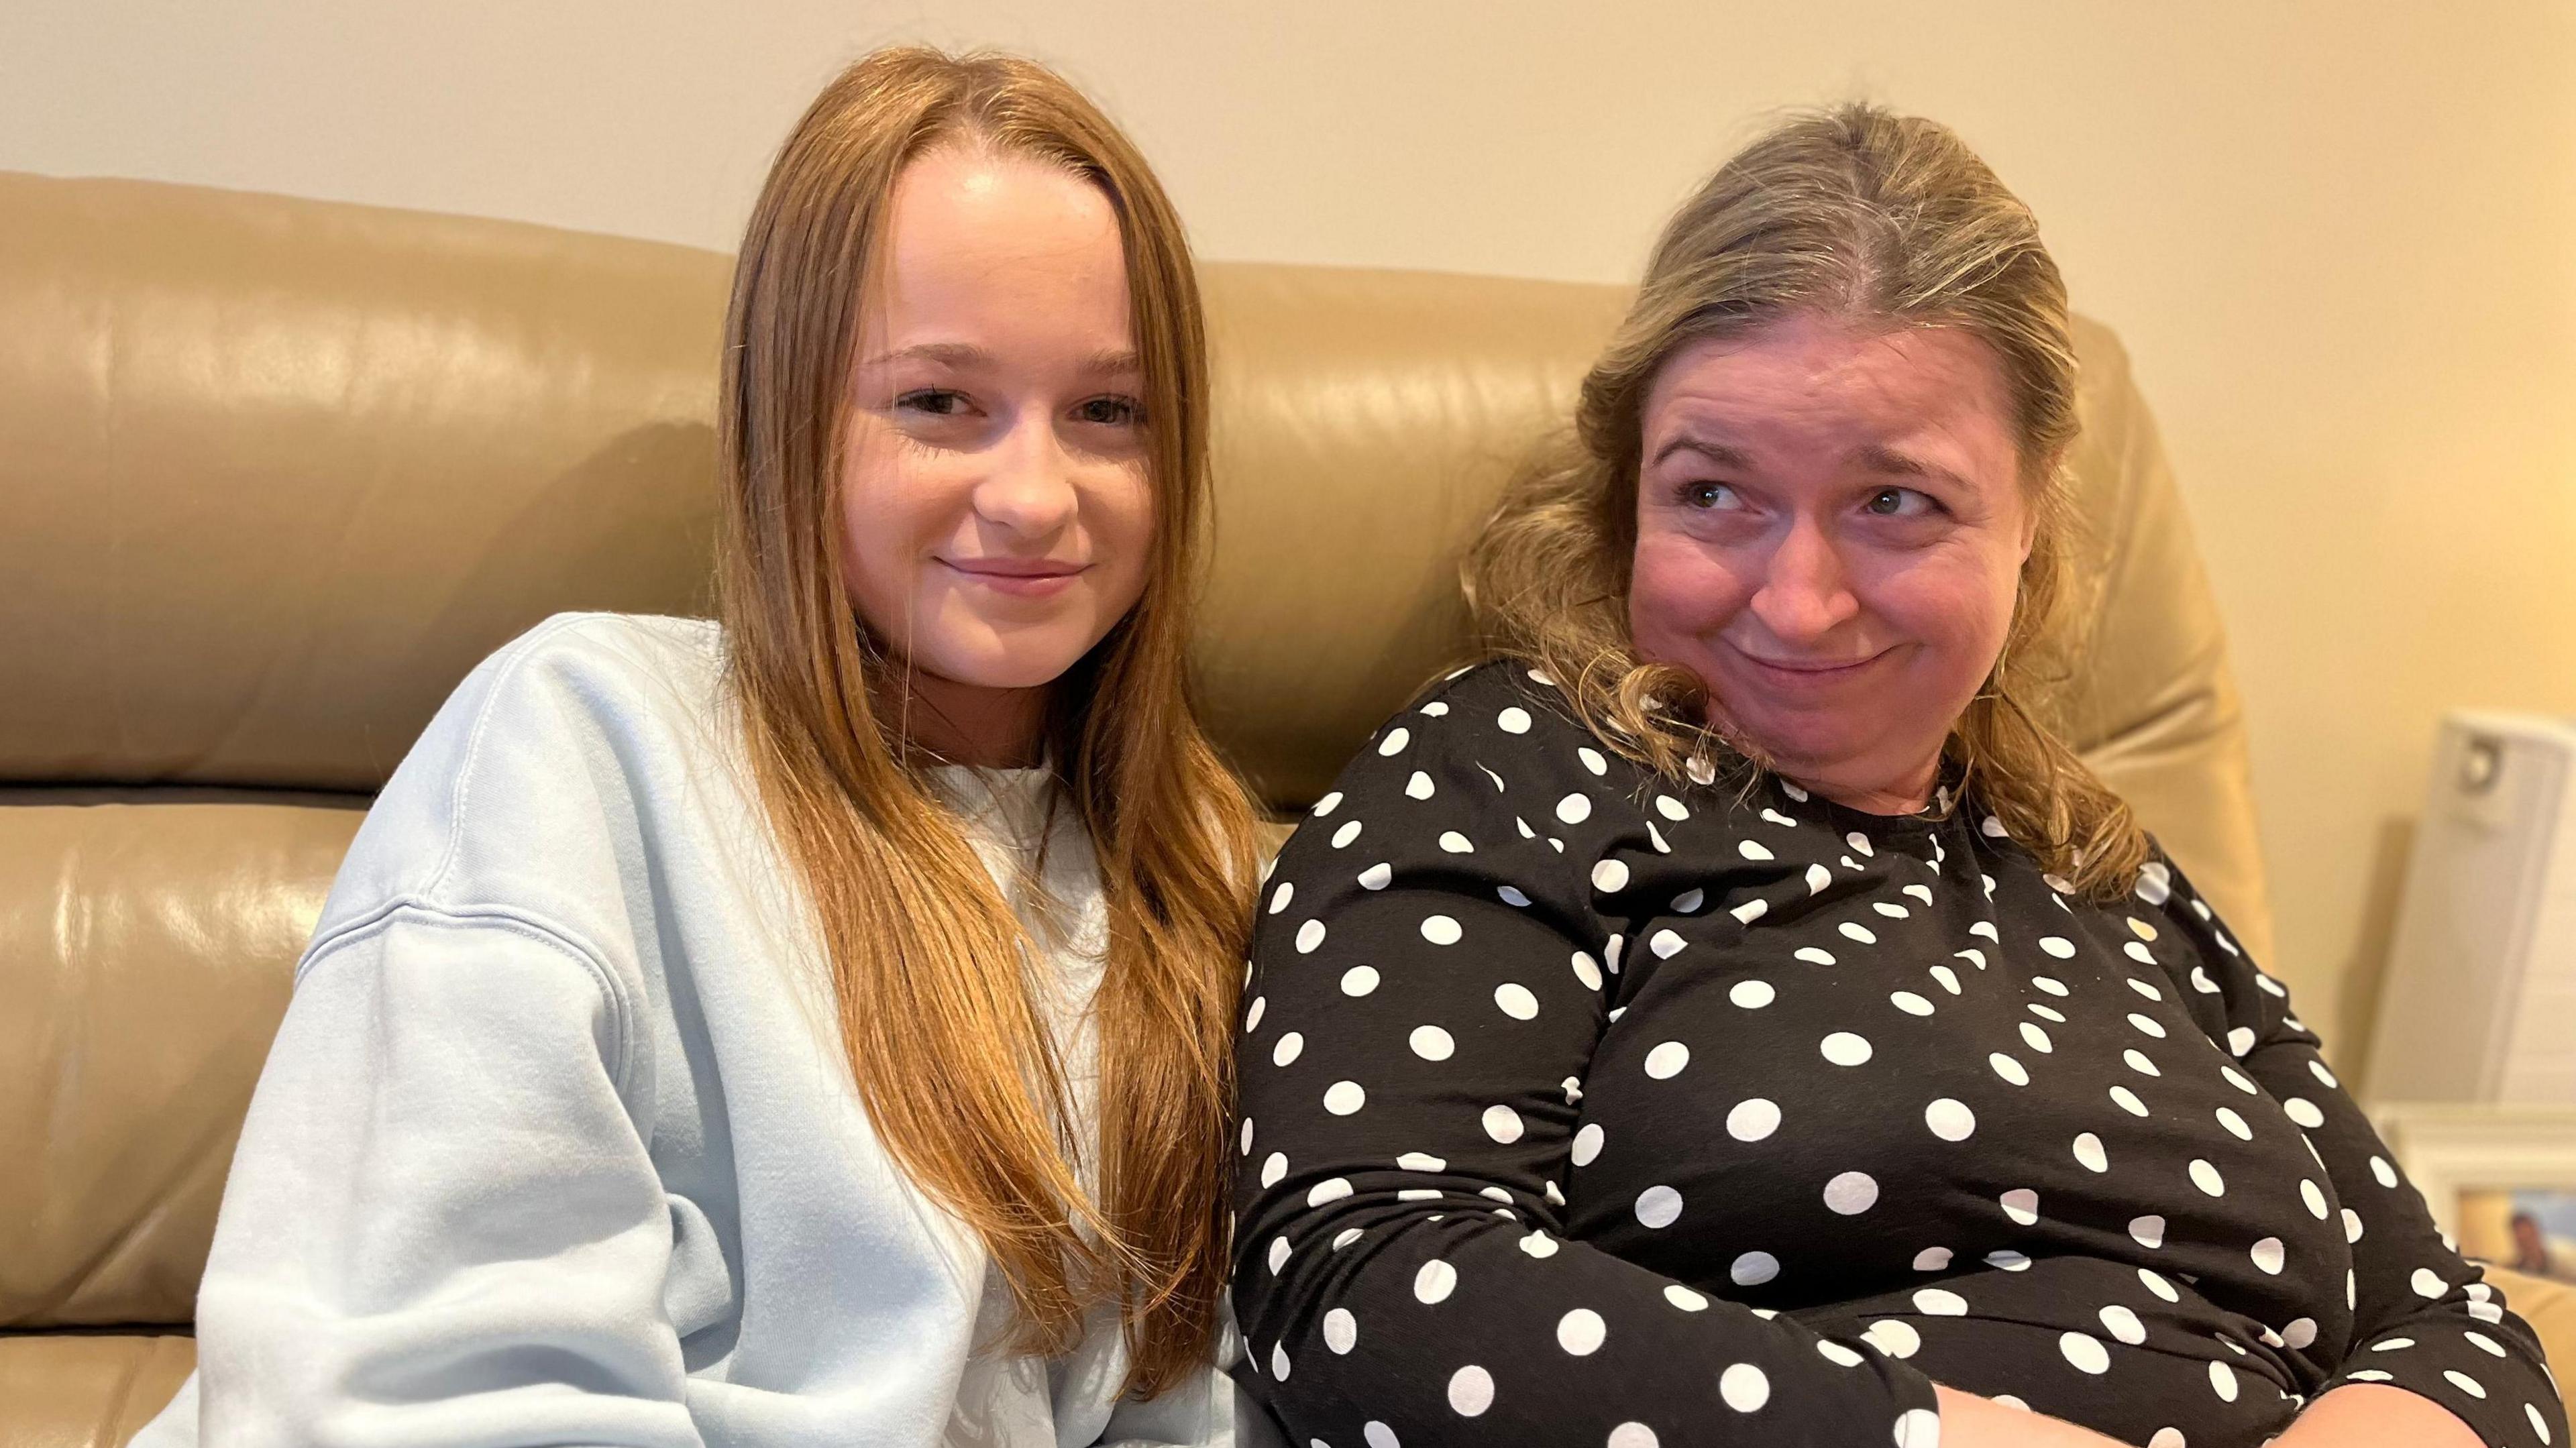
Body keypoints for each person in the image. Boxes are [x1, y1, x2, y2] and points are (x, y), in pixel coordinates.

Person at [1230, 105, 2566, 1448]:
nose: (1798, 605)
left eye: (1896, 503)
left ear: (2034, 514)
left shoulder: (2099, 864)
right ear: (1628, 485)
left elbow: (2450, 1317)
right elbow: (1366, 1279)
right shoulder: (1511, 770)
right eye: (1712, 493)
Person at [134, 47, 1258, 1448]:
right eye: (938, 402)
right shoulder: (578, 744)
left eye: (1109, 412)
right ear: (790, 417)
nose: (1035, 495)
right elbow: (417, 1394)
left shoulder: (1203, 864)